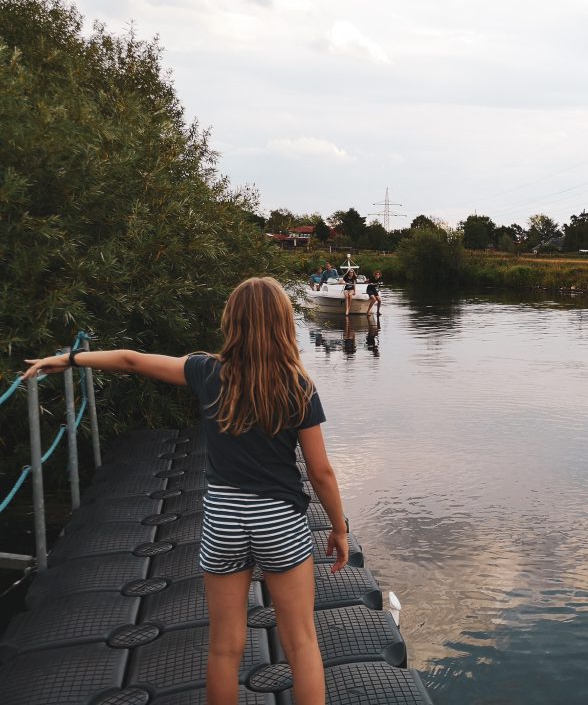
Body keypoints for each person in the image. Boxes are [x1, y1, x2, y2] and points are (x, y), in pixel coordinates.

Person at [22, 277, 348, 705]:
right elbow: (319, 471)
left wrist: (71, 358)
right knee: (302, 643)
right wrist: (338, 528)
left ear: (231, 321)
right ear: (284, 323)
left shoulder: (205, 371)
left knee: (224, 646)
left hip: (223, 522)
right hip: (279, 521)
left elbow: (132, 360)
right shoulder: (298, 386)